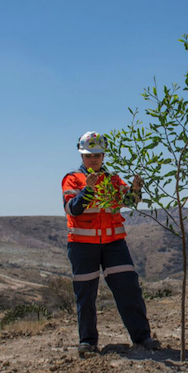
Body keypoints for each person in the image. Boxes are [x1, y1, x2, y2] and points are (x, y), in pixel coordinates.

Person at [61, 131, 159, 357]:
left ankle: (142, 337)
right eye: (88, 155)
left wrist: (135, 189)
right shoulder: (73, 179)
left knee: (129, 287)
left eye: (96, 154)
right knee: (86, 295)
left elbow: (129, 201)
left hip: (114, 244)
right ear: (81, 156)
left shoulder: (114, 179)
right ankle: (87, 342)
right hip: (83, 246)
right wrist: (89, 189)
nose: (92, 159)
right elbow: (72, 208)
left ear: (103, 155)